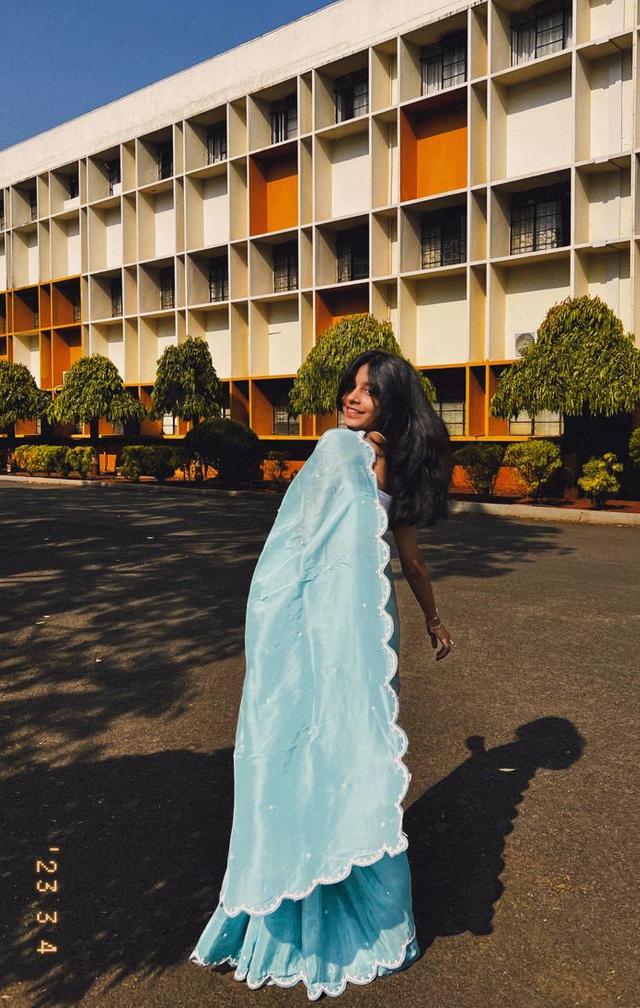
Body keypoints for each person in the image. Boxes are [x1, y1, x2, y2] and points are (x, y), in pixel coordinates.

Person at [189, 349, 455, 999]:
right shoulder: (344, 452)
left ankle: (337, 897)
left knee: (338, 751)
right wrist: (432, 623)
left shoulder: (353, 455)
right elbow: (302, 543)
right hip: (340, 623)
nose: (353, 397)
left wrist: (432, 621)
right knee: (334, 750)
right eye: (351, 388)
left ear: (392, 401)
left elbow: (403, 559)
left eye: (369, 391)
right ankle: (327, 905)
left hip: (352, 628)